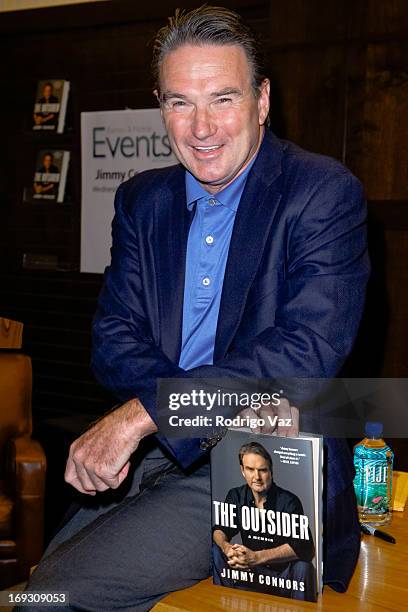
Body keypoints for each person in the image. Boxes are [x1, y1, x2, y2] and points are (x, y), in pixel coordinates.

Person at [21, 5, 370, 611]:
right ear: (161, 106)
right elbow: (113, 339)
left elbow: (305, 350)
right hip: (158, 454)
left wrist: (146, 413)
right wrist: (178, 414)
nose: (201, 127)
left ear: (262, 100)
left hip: (259, 463)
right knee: (46, 579)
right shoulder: (141, 200)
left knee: (56, 595)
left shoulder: (322, 192)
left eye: (223, 98)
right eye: (180, 102)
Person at [213, 442, 316, 600]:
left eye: (262, 470)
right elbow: (220, 530)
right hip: (250, 574)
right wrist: (227, 547)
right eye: (250, 469)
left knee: (304, 567)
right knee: (215, 549)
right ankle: (225, 604)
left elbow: (304, 547)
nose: (257, 477)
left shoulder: (289, 501)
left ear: (271, 471)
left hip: (283, 578)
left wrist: (256, 557)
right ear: (242, 471)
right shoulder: (236, 496)